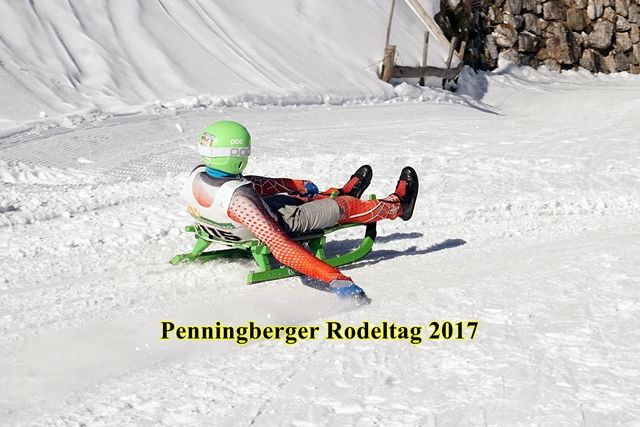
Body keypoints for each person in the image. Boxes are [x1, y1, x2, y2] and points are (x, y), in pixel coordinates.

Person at [181, 120, 418, 303]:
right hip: (283, 222)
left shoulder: (199, 173)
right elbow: (280, 246)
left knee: (293, 198)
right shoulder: (241, 200)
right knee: (344, 208)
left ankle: (336, 193)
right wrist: (336, 279)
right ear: (237, 157)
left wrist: (294, 185)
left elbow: (249, 183)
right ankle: (398, 205)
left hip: (238, 221)